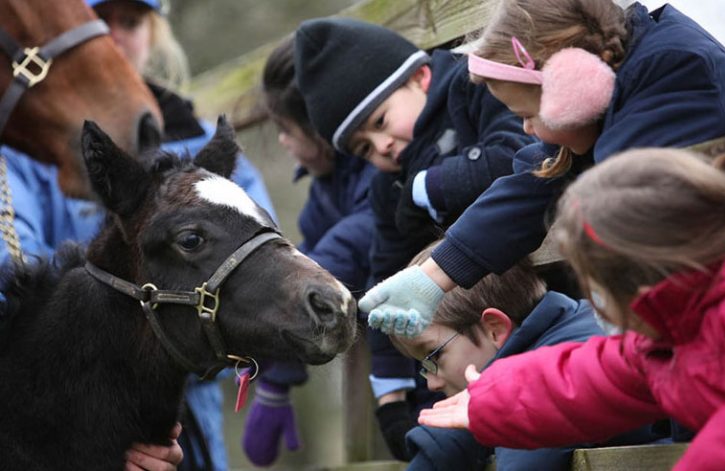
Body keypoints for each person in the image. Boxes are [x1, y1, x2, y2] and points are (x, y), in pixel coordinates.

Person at [0, 1, 276, 469]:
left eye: (129, 22)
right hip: (60, 421)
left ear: (154, 35)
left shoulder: (210, 146)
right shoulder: (29, 148)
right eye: (99, 20)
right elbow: (15, 270)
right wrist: (96, 434)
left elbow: (255, 284)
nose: (112, 37)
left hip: (187, 426)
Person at [358, 0, 725, 339]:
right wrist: (432, 278)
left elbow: (619, 206)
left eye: (527, 114)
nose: (526, 130)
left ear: (571, 84)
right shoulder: (617, 92)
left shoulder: (676, 70)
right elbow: (531, 183)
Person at [293, 18, 535, 457]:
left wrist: (428, 187)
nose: (381, 146)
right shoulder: (389, 186)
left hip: (529, 310)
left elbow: (516, 156)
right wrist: (389, 395)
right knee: (438, 432)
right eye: (364, 148)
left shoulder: (473, 87)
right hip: (457, 336)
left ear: (420, 77)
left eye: (381, 122)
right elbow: (384, 279)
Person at [418, 147, 725, 470]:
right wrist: (492, 401)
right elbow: (589, 381)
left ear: (636, 279)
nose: (595, 304)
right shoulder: (666, 343)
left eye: (595, 287)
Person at [393, 242, 663, 470]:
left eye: (433, 356)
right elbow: (482, 420)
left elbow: (526, 454)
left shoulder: (571, 348)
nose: (432, 384)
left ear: (494, 330)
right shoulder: (552, 332)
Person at [239, 35, 377, 467]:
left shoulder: (380, 176)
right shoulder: (323, 192)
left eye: (286, 130)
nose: (281, 142)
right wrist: (274, 380)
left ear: (321, 126)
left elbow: (342, 250)